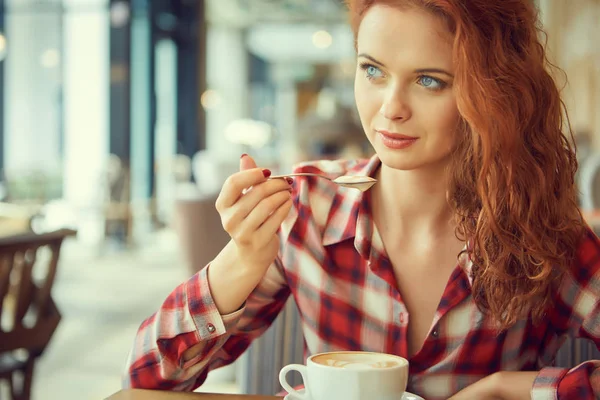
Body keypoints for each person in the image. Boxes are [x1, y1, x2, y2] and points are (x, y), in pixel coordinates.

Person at [123, 0, 600, 398]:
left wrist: (513, 389)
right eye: (373, 70)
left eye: (429, 80)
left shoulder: (542, 229)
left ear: (495, 92)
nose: (390, 108)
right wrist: (241, 260)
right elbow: (146, 381)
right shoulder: (305, 207)